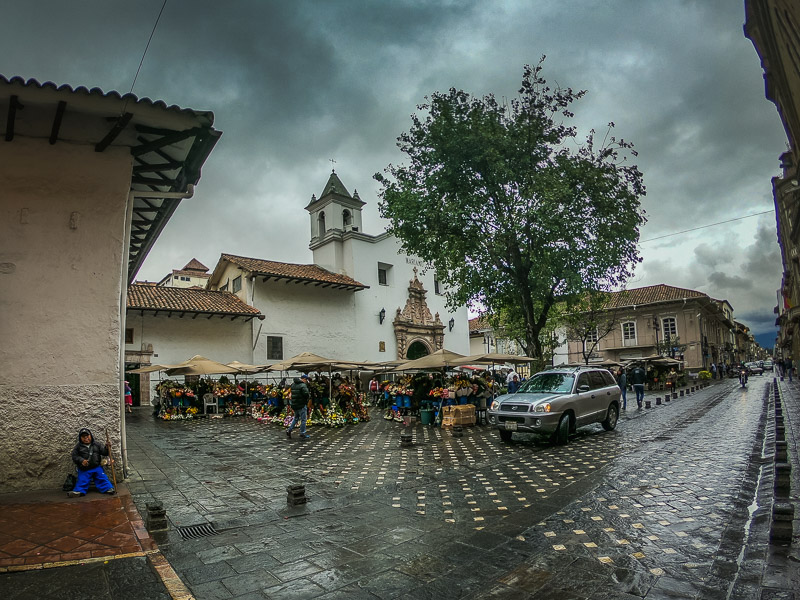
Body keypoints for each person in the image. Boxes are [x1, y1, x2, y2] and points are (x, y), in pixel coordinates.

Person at [68, 428, 115, 497]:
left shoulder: (97, 445)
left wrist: (107, 448)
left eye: (87, 436)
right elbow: (74, 456)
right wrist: (81, 461)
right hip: (85, 468)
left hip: (96, 467)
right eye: (83, 437)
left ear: (91, 436)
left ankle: (108, 488)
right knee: (82, 479)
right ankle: (79, 491)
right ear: (80, 438)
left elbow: (105, 453)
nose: (86, 438)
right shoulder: (78, 447)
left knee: (102, 477)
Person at [287, 374, 311, 439]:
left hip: (294, 404)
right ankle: (302, 433)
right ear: (304, 379)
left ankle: (289, 430)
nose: (306, 381)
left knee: (296, 418)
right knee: (303, 419)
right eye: (306, 380)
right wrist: (307, 399)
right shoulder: (303, 385)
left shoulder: (293, 385)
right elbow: (306, 394)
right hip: (301, 404)